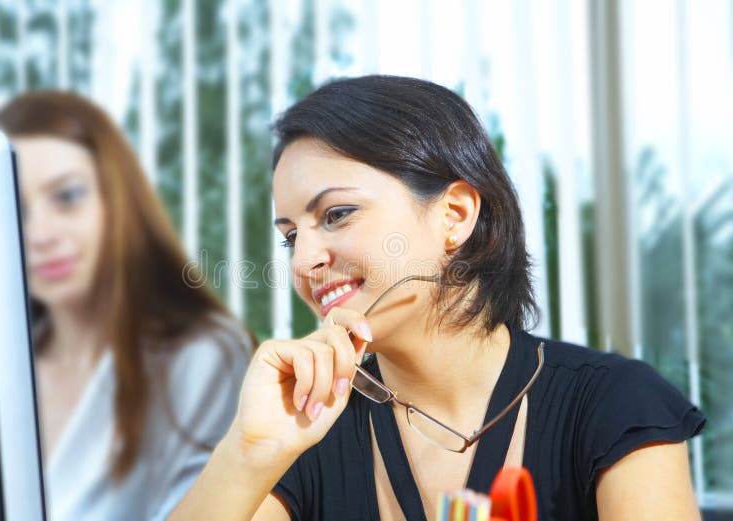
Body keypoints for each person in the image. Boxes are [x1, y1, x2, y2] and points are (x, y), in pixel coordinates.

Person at [169, 76, 705, 521]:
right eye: (291, 236)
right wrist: (247, 454)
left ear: (454, 216)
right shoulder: (309, 432)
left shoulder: (615, 407)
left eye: (336, 214)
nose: (303, 261)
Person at [0, 91, 252, 521]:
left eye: (67, 197)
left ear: (117, 201)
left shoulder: (200, 358)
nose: (41, 234)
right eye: (15, 210)